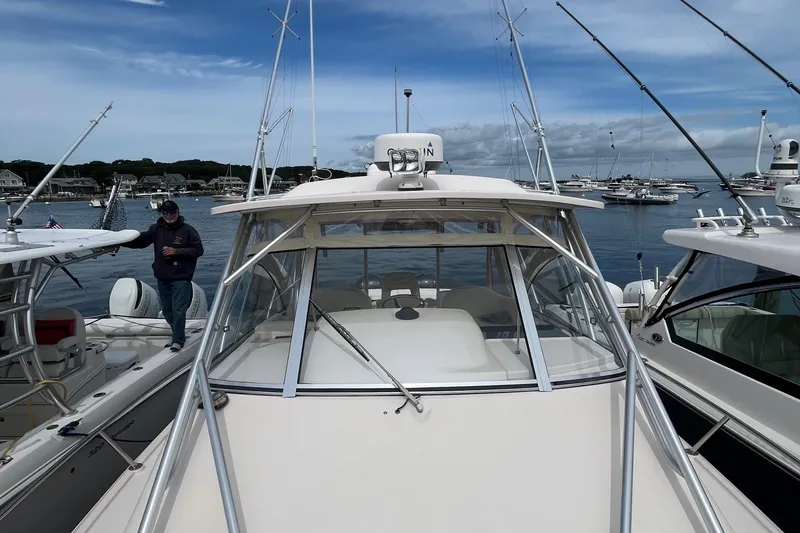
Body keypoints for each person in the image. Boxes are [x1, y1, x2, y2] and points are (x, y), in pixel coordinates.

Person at [121, 200, 204, 351]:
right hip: (162, 277)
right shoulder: (156, 229)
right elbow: (140, 241)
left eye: (172, 213)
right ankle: (178, 335)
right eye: (166, 213)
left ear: (178, 212)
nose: (169, 216)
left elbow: (198, 250)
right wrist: (120, 241)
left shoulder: (188, 230)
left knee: (179, 310)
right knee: (167, 311)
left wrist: (177, 251)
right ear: (162, 214)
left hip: (181, 277)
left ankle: (178, 340)